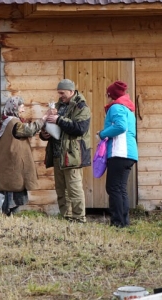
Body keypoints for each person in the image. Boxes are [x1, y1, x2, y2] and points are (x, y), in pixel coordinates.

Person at [39, 79, 91, 223]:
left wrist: (59, 120)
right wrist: (44, 134)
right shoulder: (57, 106)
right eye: (59, 93)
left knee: (74, 189)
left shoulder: (81, 107)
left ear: (71, 91)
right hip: (57, 154)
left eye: (62, 93)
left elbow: (80, 128)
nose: (60, 95)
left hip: (72, 155)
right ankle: (66, 217)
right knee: (61, 190)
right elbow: (50, 127)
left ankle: (79, 218)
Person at [0, 96, 50, 216]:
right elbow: (29, 130)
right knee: (13, 191)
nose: (23, 110)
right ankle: (9, 215)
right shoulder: (14, 123)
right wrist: (44, 118)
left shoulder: (6, 121)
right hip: (13, 165)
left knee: (12, 190)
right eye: (21, 107)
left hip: (8, 163)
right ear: (14, 108)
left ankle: (9, 216)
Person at [97, 80, 138, 228]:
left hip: (120, 151)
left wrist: (102, 133)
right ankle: (124, 221)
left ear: (111, 95)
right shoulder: (128, 108)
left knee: (113, 188)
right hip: (129, 153)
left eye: (107, 95)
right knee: (120, 188)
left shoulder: (116, 107)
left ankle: (118, 223)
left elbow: (121, 126)